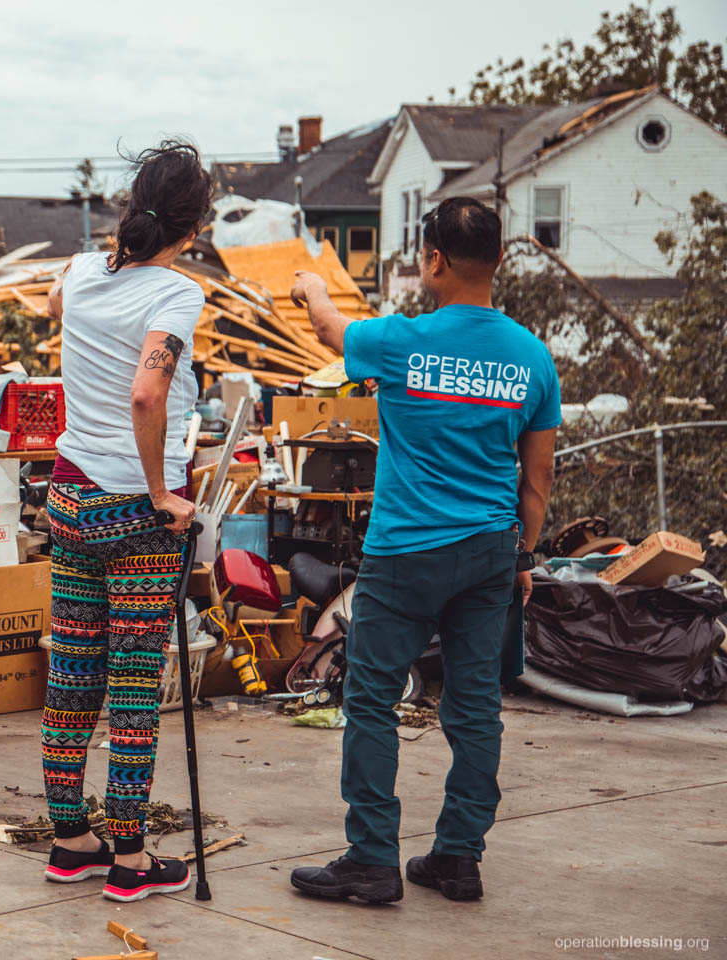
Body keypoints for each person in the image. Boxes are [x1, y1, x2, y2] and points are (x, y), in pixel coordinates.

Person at [287, 197, 560, 904]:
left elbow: (325, 327)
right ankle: (457, 858)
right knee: (473, 709)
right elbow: (538, 478)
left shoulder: (401, 342)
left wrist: (312, 284)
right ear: (498, 260)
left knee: (371, 697)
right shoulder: (532, 357)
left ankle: (374, 857)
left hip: (406, 553)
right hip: (490, 554)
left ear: (434, 260)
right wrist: (523, 558)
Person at [38, 139, 213, 903]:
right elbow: (149, 394)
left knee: (73, 675)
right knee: (135, 685)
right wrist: (161, 493)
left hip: (70, 499)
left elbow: (52, 303)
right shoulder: (175, 294)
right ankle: (132, 862)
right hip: (132, 515)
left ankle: (71, 840)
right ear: (195, 224)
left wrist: (98, 277)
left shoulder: (78, 273)